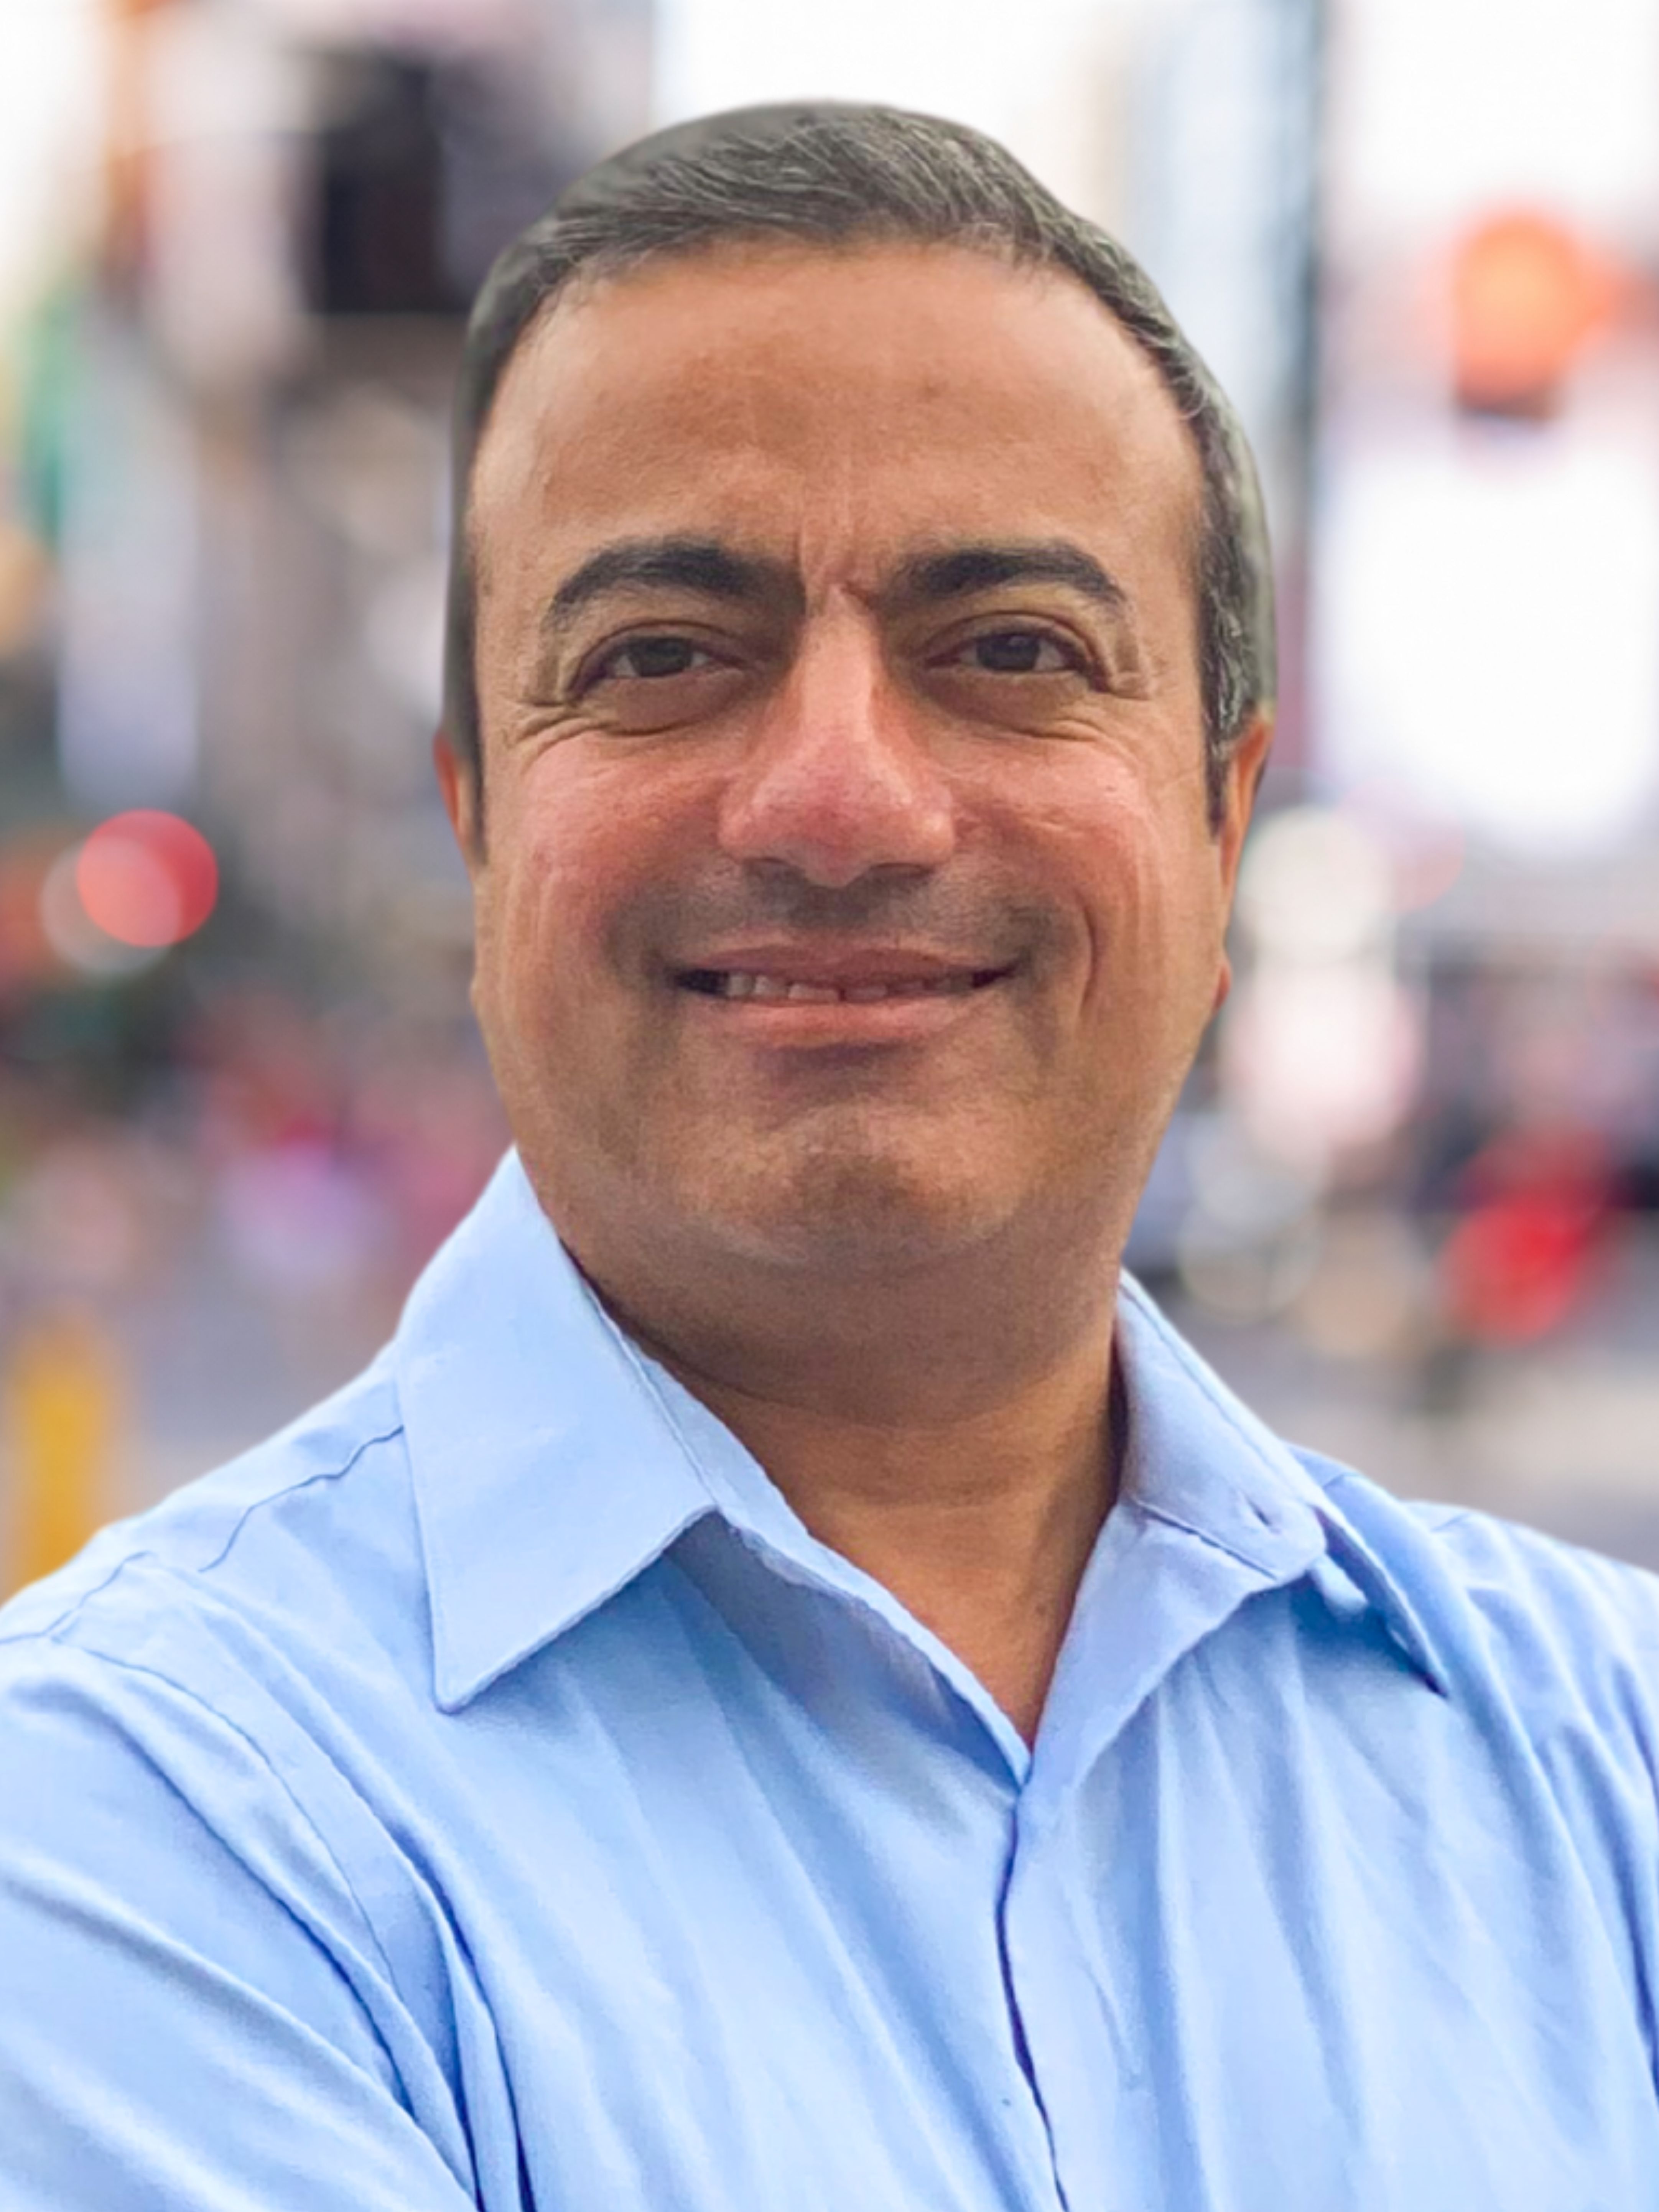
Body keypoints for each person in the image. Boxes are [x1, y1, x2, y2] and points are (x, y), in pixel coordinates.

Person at [3, 104, 1658, 2212]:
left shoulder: (1602, 1754)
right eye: (663, 658)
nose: (839, 800)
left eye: (1012, 653)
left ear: (1219, 821)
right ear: (480, 814)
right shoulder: (127, 1815)